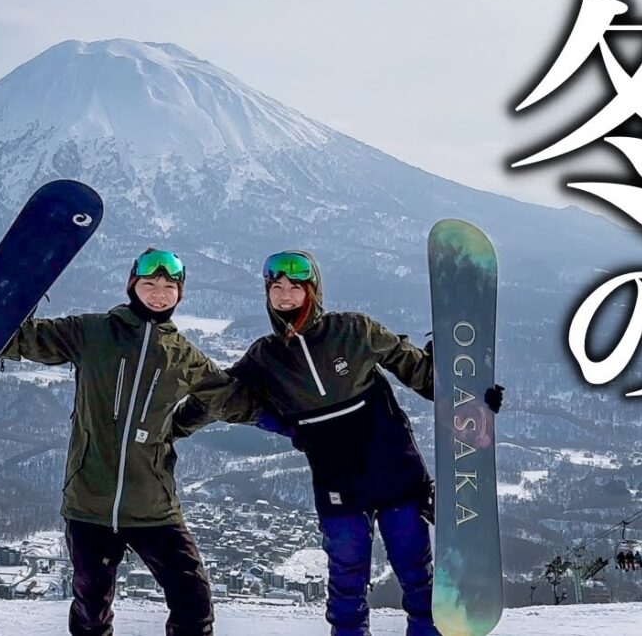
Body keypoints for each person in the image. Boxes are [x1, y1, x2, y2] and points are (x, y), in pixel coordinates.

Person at [173, 250, 504, 636]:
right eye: (276, 287)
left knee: (417, 576)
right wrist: (172, 428)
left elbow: (418, 371)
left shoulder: (353, 331)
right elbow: (216, 398)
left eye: (294, 287)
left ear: (312, 292)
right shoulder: (266, 357)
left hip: (396, 477)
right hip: (338, 490)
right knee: (346, 586)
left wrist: (472, 395)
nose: (284, 295)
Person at [0, 248, 221, 636]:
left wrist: (177, 425)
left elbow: (224, 397)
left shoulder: (184, 356)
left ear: (179, 295)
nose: (158, 292)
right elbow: (25, 340)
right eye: (150, 283)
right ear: (133, 285)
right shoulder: (93, 332)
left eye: (169, 286)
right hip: (89, 505)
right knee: (91, 610)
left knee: (193, 600)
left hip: (153, 507)